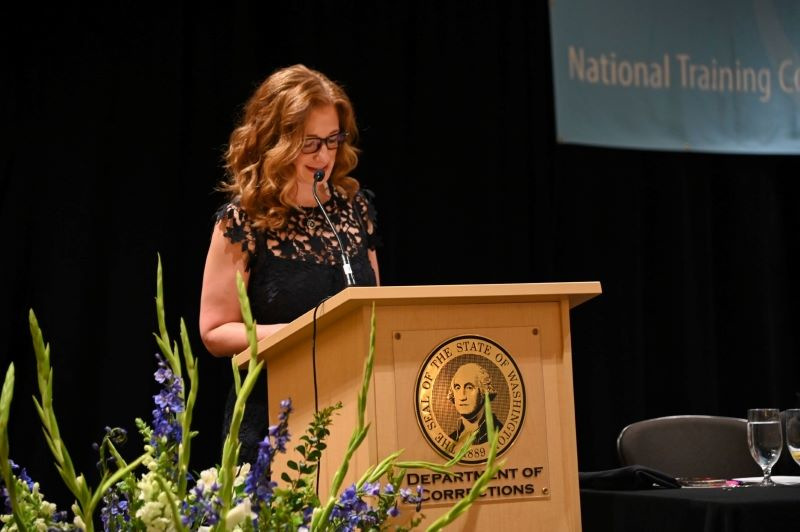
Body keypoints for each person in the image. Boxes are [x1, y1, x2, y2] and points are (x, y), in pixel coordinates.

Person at [199, 64, 380, 464]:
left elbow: (375, 314)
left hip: (355, 411)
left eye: (333, 140)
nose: (325, 156)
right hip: (273, 423)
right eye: (310, 143)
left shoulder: (355, 209)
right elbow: (214, 331)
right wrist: (299, 334)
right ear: (275, 142)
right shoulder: (244, 220)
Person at [447, 363, 503, 445]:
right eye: (457, 387)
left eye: (469, 387)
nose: (462, 397)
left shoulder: (499, 434)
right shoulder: (451, 439)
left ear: (484, 391)